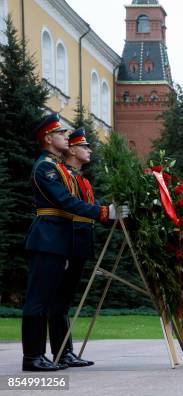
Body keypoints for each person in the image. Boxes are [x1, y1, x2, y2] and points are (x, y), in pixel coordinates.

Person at [22, 113, 127, 372]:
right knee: (38, 300)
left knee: (57, 301)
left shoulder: (56, 168)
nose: (66, 138)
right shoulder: (45, 168)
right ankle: (32, 357)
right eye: (60, 134)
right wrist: (105, 212)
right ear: (48, 138)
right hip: (47, 238)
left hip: (58, 240)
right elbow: (66, 203)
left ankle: (61, 352)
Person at [47, 128, 98, 368]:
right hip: (68, 241)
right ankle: (62, 351)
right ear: (73, 150)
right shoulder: (63, 175)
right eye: (84, 147)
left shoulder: (81, 179)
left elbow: (93, 209)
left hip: (80, 243)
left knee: (65, 300)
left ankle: (66, 351)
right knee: (59, 300)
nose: (89, 151)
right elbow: (70, 208)